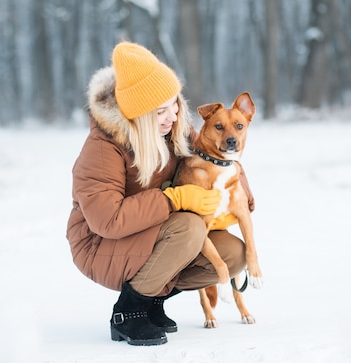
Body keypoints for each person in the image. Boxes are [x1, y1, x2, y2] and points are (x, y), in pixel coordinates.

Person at [66, 41, 254, 346]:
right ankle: (128, 312)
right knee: (189, 227)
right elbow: (106, 220)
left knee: (233, 254)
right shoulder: (102, 148)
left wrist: (240, 191)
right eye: (159, 111)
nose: (173, 115)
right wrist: (174, 199)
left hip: (151, 233)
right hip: (99, 243)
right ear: (137, 115)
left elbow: (210, 155)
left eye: (175, 103)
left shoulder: (173, 128)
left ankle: (151, 301)